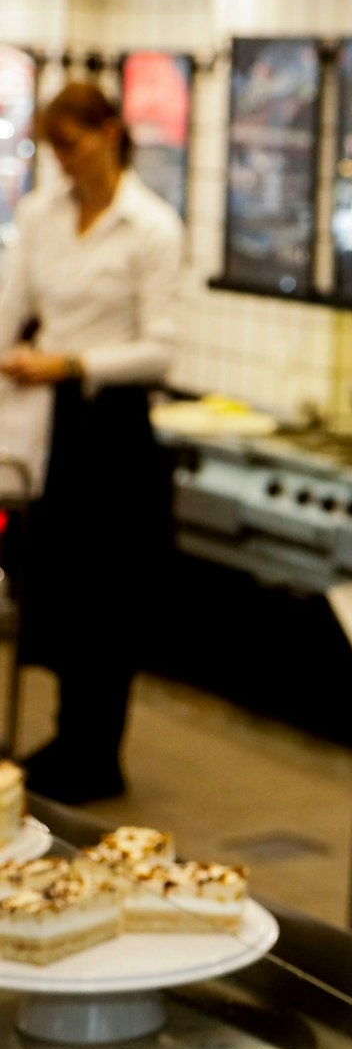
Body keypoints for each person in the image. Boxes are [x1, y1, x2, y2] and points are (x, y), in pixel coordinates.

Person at [0, 82, 183, 803]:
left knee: (108, 595)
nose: (62, 161)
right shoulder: (41, 214)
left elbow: (161, 350)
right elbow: (12, 307)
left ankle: (98, 751)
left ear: (109, 132)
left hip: (113, 429)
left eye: (71, 145)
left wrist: (70, 364)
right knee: (59, 589)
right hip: (50, 424)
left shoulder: (152, 227)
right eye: (53, 147)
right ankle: (68, 735)